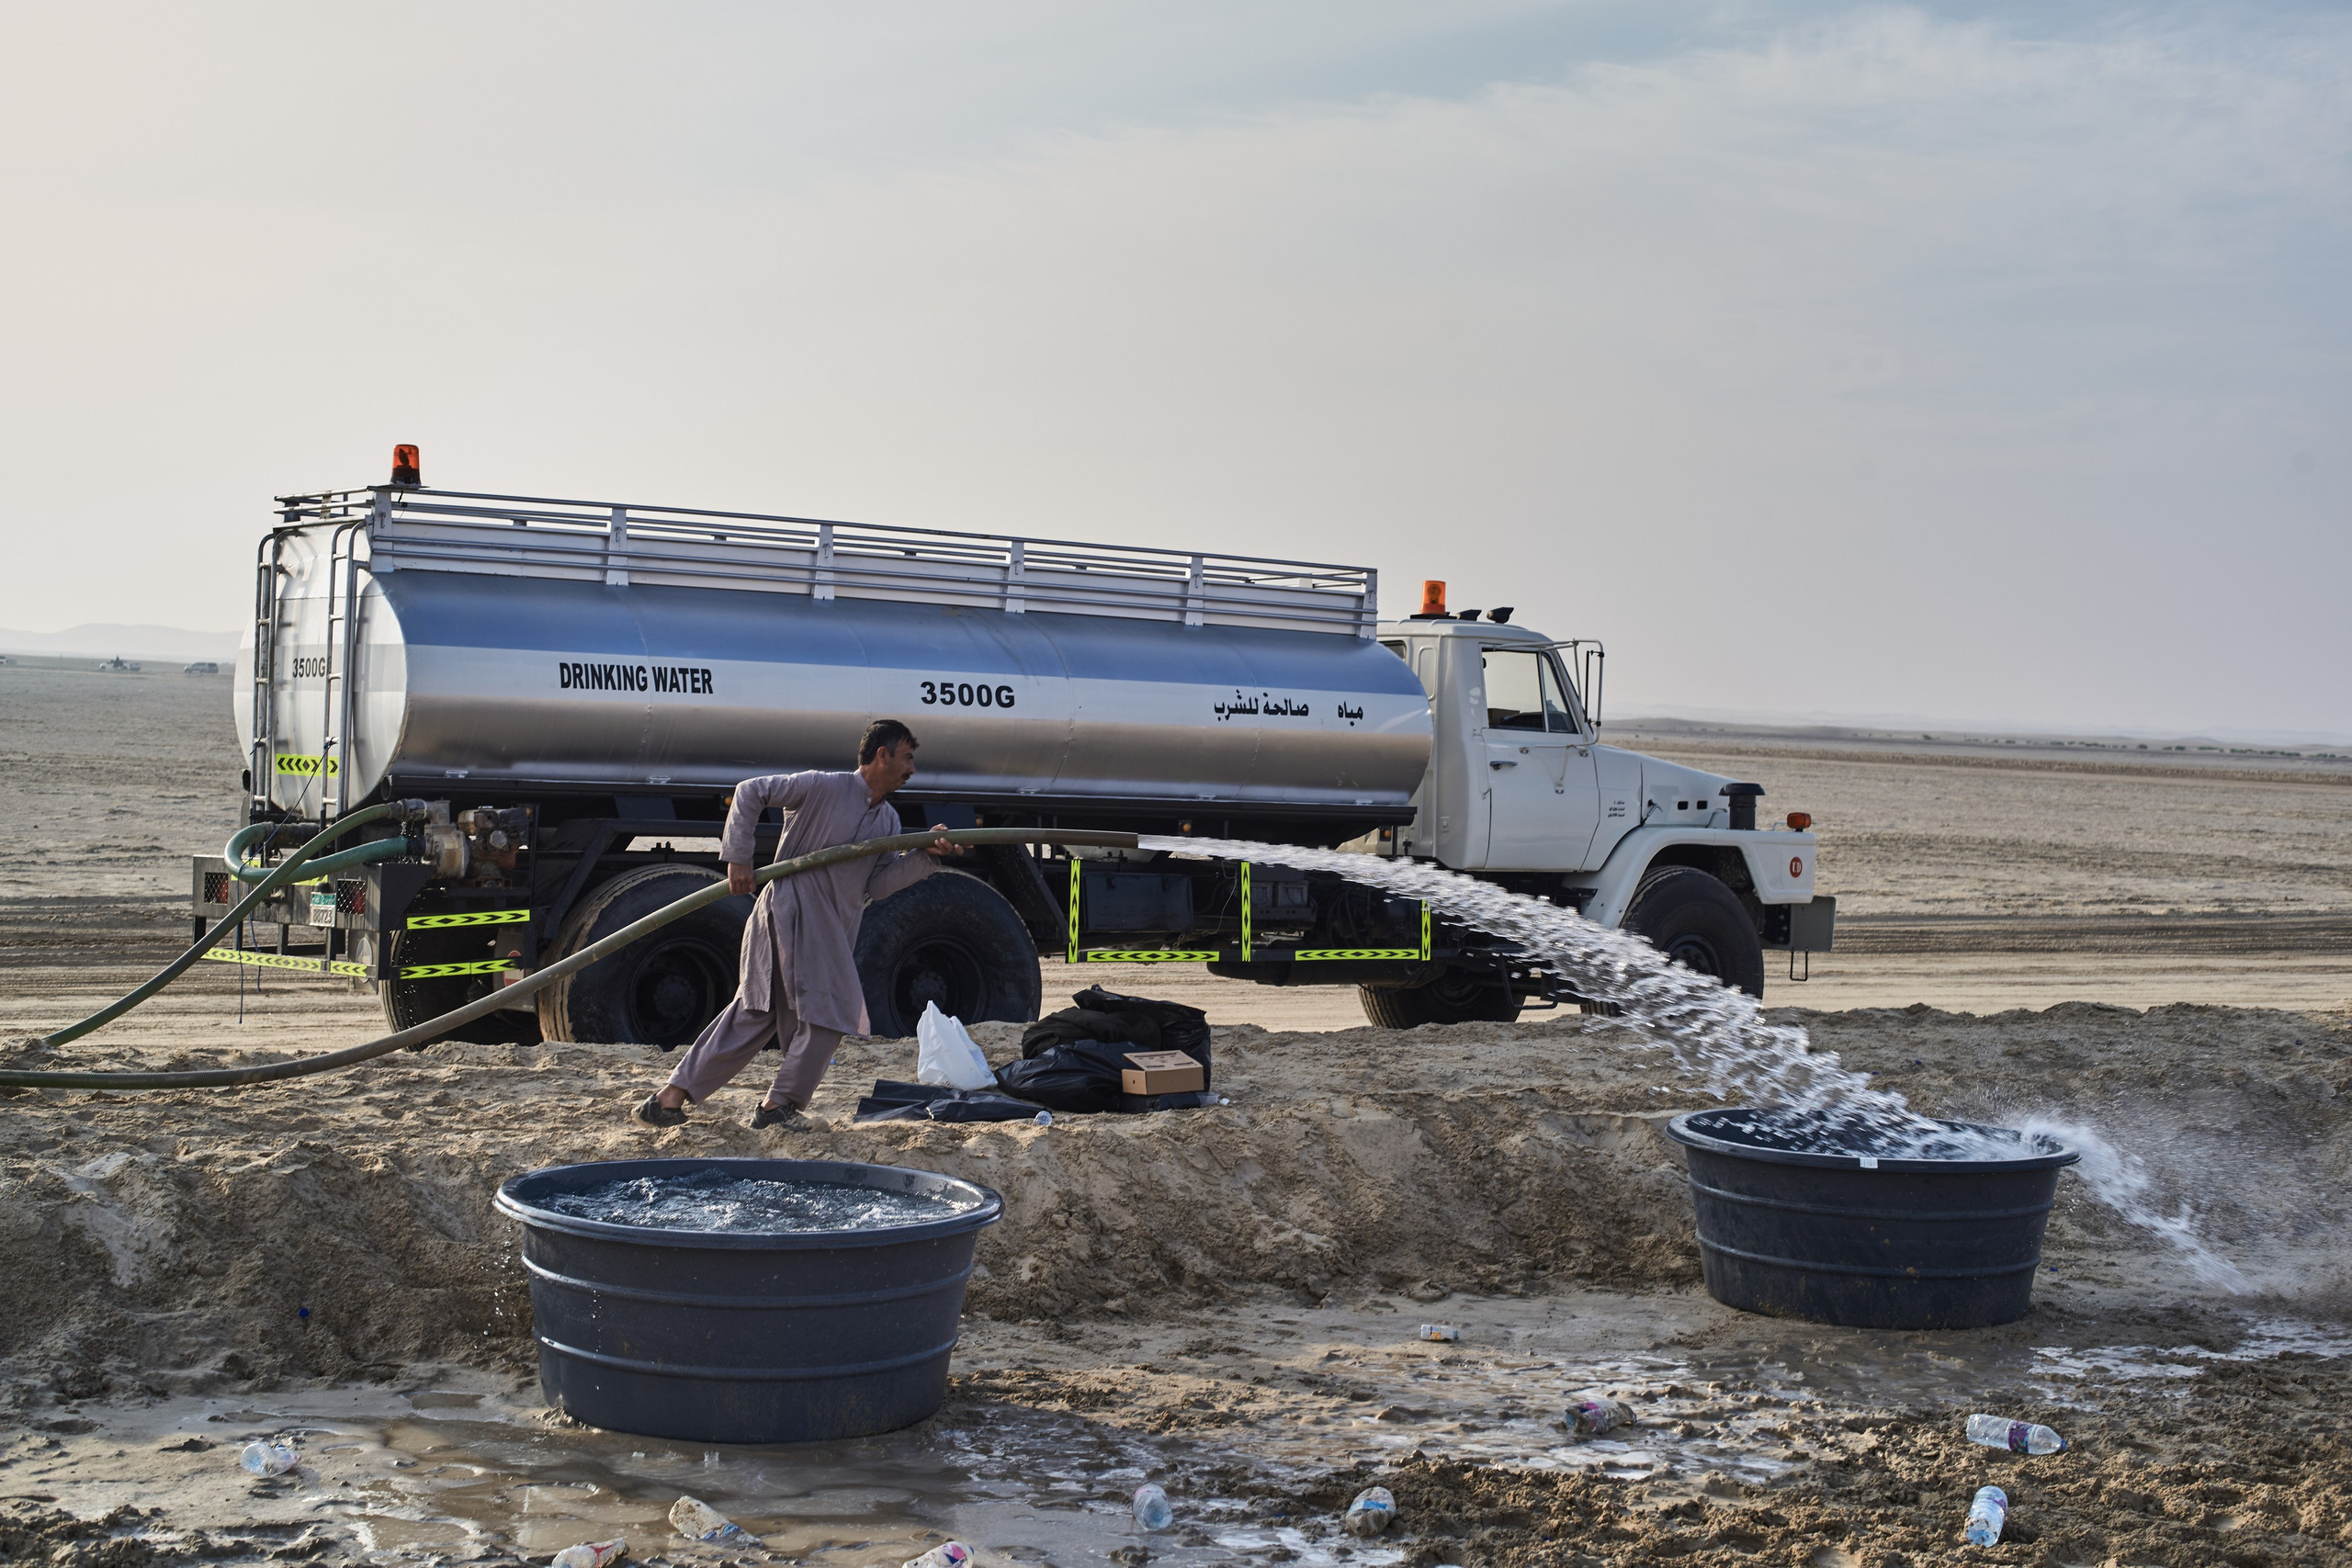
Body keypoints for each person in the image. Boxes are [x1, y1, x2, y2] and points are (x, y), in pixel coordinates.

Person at [635, 719, 956, 1131]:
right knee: (828, 1011)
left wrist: (926, 854)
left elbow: (877, 885)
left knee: (756, 1012)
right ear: (883, 755)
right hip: (790, 910)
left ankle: (668, 1100)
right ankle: (778, 1107)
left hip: (828, 926)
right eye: (907, 758)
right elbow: (750, 791)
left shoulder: (889, 821)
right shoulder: (822, 785)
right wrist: (738, 858)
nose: (911, 769)